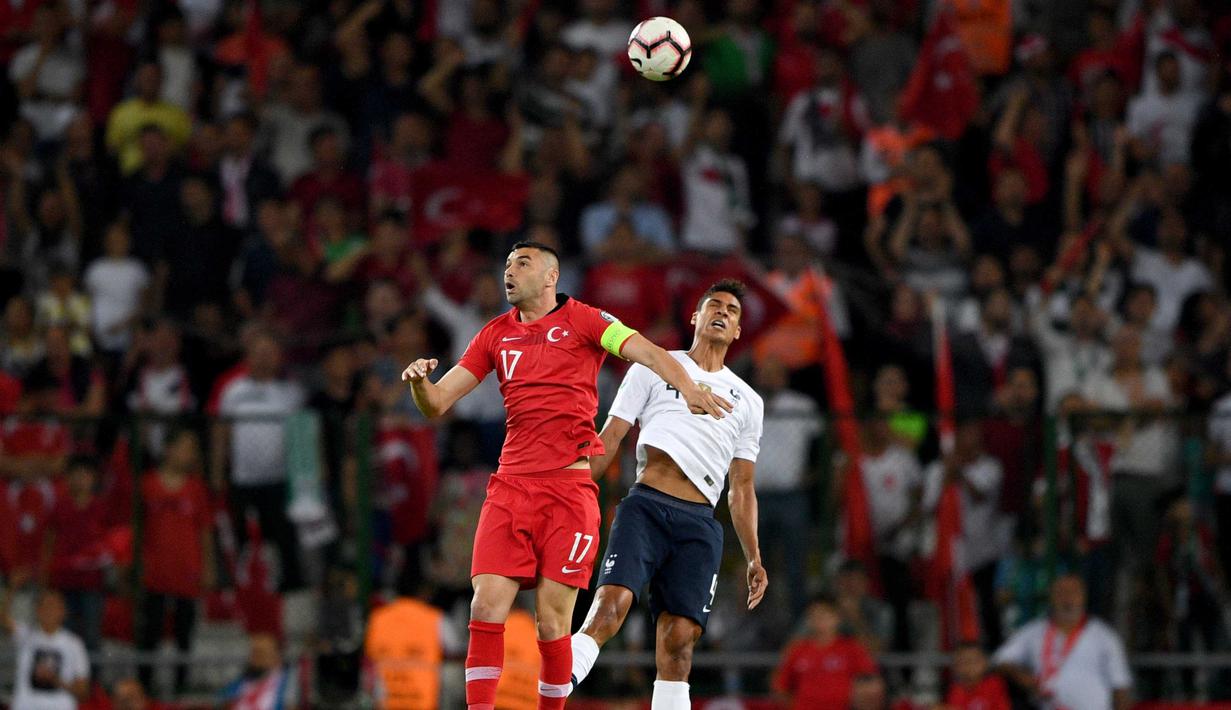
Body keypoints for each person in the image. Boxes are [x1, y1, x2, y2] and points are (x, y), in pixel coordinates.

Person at [401, 241, 730, 710]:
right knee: (484, 606)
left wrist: (688, 386)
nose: (509, 271)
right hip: (510, 486)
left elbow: (648, 352)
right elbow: (436, 405)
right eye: (507, 263)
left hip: (568, 491)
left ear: (551, 276)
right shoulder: (493, 335)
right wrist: (419, 384)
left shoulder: (585, 320)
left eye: (523, 263)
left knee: (552, 624)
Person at [566, 280, 767, 709]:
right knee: (610, 606)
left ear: (736, 332)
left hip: (699, 523)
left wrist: (753, 556)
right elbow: (611, 436)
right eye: (714, 305)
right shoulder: (652, 367)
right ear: (695, 317)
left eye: (732, 311)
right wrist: (567, 491)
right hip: (646, 507)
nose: (723, 312)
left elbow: (742, 486)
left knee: (679, 644)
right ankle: (555, 683)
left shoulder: (748, 400)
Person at [993, 574, 1132, 710]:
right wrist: (1022, 677)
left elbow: (1121, 687)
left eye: (1073, 592)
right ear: (1051, 597)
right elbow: (998, 661)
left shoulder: (1104, 636)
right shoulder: (1033, 631)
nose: (1067, 598)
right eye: (1061, 592)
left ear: (1083, 597)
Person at [773, 595, 877, 710]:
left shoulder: (851, 648)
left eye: (824, 616)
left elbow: (870, 683)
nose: (819, 621)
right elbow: (780, 685)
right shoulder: (797, 649)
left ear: (837, 618)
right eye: (814, 616)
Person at [0, 586, 91, 710]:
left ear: (63, 611)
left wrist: (56, 680)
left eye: (54, 606)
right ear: (37, 610)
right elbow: (3, 619)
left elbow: (83, 691)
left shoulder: (74, 644)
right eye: (44, 606)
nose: (49, 611)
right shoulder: (26, 635)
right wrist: (12, 588)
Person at [941, 642, 1011, 710]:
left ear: (985, 663)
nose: (969, 666)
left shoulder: (994, 684)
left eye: (973, 661)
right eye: (962, 662)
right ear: (955, 666)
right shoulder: (955, 690)